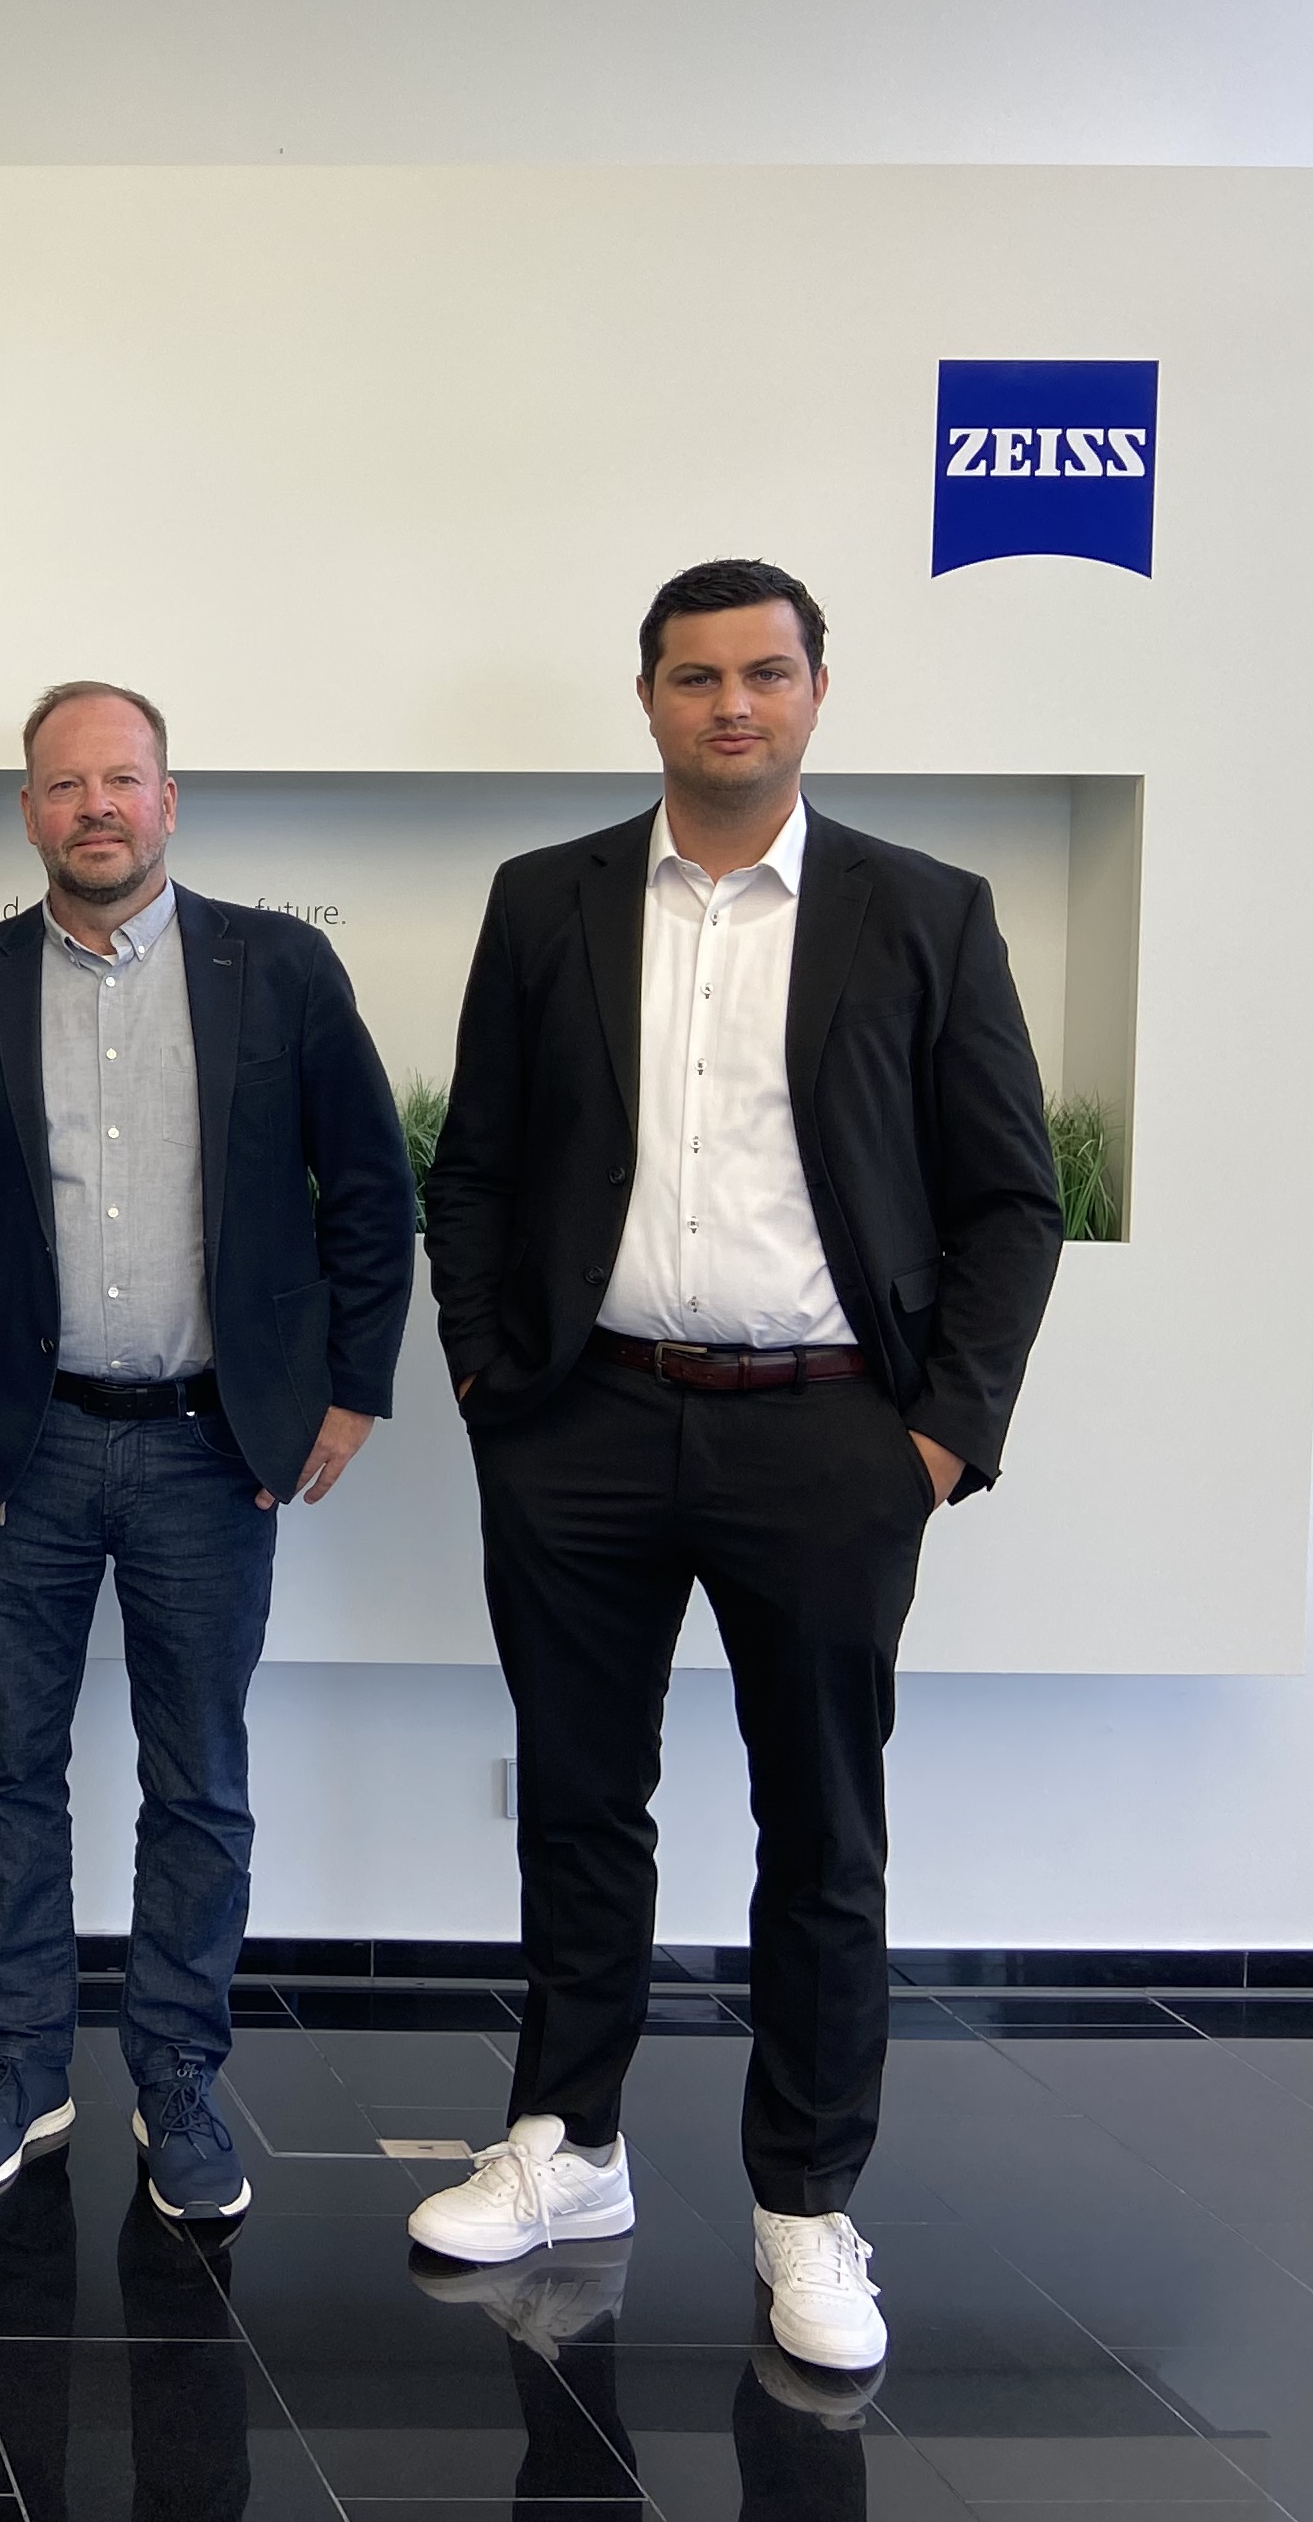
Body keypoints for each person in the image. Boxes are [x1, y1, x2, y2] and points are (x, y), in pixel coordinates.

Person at [408, 557, 1063, 2379]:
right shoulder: (547, 900)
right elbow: (476, 1165)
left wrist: (937, 1436)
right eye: (697, 677)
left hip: (832, 1436)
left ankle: (805, 2202)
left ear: (816, 692)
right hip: (585, 1424)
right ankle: (570, 2145)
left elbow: (1010, 1197)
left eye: (765, 673)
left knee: (823, 1828)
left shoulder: (924, 911)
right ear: (648, 698)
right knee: (578, 1800)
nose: (732, 706)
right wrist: (489, 1377)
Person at [0, 680, 415, 2219]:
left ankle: (177, 2078)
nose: (94, 807)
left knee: (200, 1783)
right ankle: (19, 2069)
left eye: (122, 780)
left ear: (169, 800)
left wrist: (351, 1390)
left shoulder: (279, 968)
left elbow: (372, 1194)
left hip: (209, 1449)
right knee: (9, 1774)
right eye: (65, 784)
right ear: (29, 812)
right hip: (20, 1447)